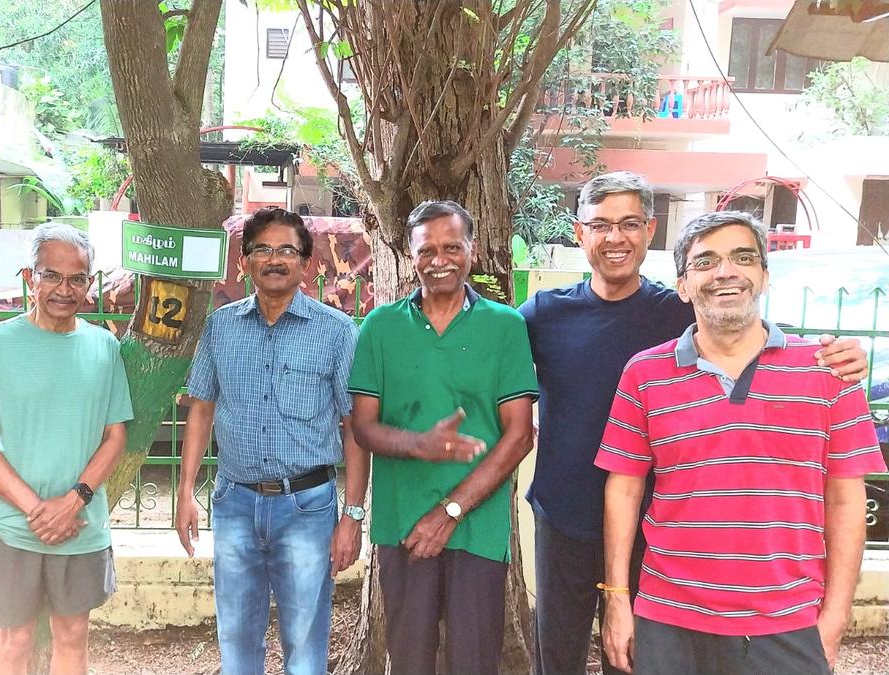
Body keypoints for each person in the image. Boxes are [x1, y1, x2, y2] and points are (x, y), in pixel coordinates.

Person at [520, 171, 869, 675]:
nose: (614, 237)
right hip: (564, 514)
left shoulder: (675, 307)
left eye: (629, 223)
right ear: (580, 234)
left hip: (654, 527)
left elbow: (741, 325)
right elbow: (495, 370)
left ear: (649, 230)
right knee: (556, 659)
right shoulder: (544, 314)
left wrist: (834, 352)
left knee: (632, 657)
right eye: (600, 225)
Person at [596, 211, 885, 674]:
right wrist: (616, 600)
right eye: (705, 261)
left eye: (742, 257)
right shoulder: (644, 374)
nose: (725, 271)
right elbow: (624, 489)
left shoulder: (829, 370)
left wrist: (834, 616)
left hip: (789, 624)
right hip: (670, 619)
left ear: (764, 276)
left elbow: (846, 499)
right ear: (684, 286)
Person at [347, 200, 538, 674]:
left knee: (474, 661)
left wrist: (450, 511)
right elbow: (362, 425)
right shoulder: (380, 326)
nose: (440, 259)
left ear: (471, 250)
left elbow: (518, 436)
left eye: (452, 246)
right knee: (409, 659)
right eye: (426, 248)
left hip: (477, 528)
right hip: (402, 526)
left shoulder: (505, 326)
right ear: (408, 255)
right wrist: (418, 444)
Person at [175, 207, 368, 675]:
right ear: (245, 262)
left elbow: (354, 426)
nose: (275, 259)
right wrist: (185, 494)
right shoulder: (221, 327)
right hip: (235, 503)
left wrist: (353, 516)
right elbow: (201, 407)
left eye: (287, 250)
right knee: (237, 637)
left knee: (304, 643)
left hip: (307, 508)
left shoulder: (338, 331)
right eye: (263, 249)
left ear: (306, 263)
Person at [0, 222, 133, 675]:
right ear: (28, 278)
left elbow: (115, 435)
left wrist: (73, 500)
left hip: (80, 524)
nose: (64, 288)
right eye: (51, 275)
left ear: (90, 283)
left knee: (73, 636)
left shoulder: (104, 347)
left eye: (77, 278)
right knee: (14, 640)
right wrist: (39, 509)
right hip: (11, 526)